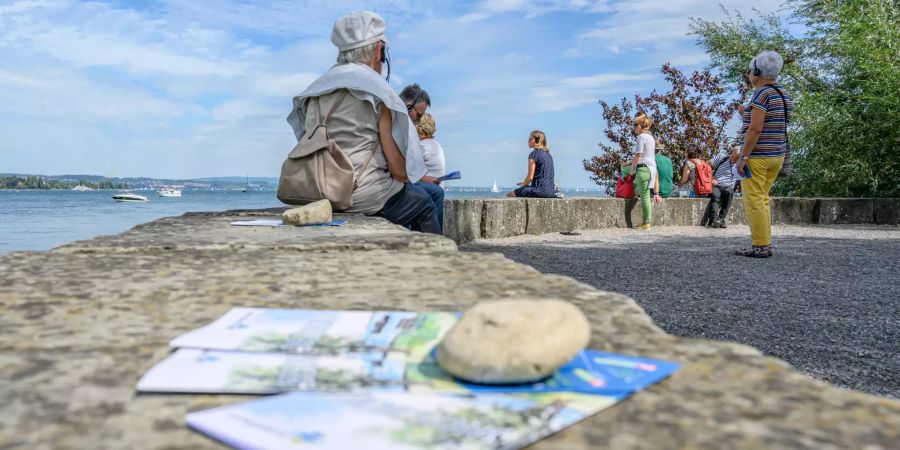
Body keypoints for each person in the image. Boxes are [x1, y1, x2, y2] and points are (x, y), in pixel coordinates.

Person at [285, 11, 439, 234]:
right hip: (361, 197)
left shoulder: (314, 92)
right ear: (378, 51)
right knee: (424, 203)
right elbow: (400, 172)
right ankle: (433, 264)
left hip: (317, 192)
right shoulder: (379, 93)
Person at [734, 50, 792, 258]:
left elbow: (756, 129)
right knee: (763, 198)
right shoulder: (782, 93)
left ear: (757, 72)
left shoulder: (761, 93)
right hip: (777, 154)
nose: (749, 74)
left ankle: (760, 245)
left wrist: (743, 158)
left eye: (750, 71)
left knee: (754, 200)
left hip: (758, 156)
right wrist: (746, 113)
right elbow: (772, 121)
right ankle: (764, 242)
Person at [399, 84, 444, 233]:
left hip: (399, 180)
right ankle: (435, 242)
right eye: (418, 116)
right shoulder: (399, 123)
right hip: (393, 183)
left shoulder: (403, 124)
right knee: (434, 194)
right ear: (408, 106)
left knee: (435, 192)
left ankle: (432, 240)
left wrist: (426, 179)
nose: (418, 122)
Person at [415, 113, 446, 228]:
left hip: (429, 193)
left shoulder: (423, 146)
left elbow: (409, 171)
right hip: (437, 192)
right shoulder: (435, 145)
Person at [627, 114, 658, 229]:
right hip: (651, 169)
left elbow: (639, 155)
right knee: (646, 195)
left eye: (635, 125)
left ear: (640, 126)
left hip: (643, 169)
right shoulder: (651, 138)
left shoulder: (641, 137)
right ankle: (646, 222)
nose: (634, 127)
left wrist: (631, 169)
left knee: (644, 196)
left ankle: (646, 222)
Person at [507, 130, 556, 198]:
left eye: (530, 139)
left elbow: (530, 177)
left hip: (539, 191)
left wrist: (524, 184)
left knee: (510, 194)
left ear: (537, 140)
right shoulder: (548, 154)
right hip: (551, 191)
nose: (528, 141)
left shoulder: (533, 155)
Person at [702, 146, 740, 228]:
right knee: (716, 196)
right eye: (733, 157)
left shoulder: (741, 164)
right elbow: (706, 167)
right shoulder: (721, 157)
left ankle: (721, 219)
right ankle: (714, 220)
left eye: (737, 159)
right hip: (716, 184)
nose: (734, 160)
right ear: (731, 153)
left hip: (728, 187)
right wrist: (712, 178)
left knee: (730, 193)